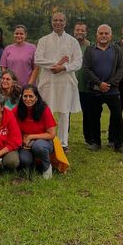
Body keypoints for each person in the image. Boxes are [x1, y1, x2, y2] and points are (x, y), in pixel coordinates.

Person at [34, 12, 82, 151]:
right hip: (48, 82)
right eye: (55, 20)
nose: (58, 23)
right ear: (52, 22)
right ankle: (44, 139)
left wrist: (64, 67)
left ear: (65, 22)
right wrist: (57, 64)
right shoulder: (43, 40)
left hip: (65, 82)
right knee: (46, 111)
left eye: (61, 20)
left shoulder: (72, 41)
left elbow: (78, 62)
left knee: (64, 112)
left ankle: (63, 143)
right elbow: (38, 59)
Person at [82, 24, 123, 155]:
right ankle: (96, 143)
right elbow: (86, 69)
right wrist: (99, 83)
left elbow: (120, 68)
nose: (103, 36)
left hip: (112, 91)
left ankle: (118, 144)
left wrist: (109, 84)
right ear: (96, 35)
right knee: (94, 116)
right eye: (101, 33)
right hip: (94, 90)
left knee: (117, 117)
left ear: (111, 35)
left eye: (106, 33)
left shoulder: (117, 50)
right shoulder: (90, 50)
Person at [13, 85, 56, 179]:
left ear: (36, 98)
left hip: (43, 142)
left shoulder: (44, 109)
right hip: (24, 142)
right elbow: (11, 126)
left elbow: (52, 134)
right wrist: (22, 141)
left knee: (38, 146)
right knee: (24, 160)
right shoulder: (17, 109)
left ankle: (47, 167)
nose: (28, 99)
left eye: (31, 96)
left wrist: (31, 137)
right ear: (21, 97)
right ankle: (32, 166)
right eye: (25, 96)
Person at [73, 22, 92, 145]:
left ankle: (89, 138)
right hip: (70, 86)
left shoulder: (91, 47)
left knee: (88, 113)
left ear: (86, 32)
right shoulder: (69, 45)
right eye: (77, 30)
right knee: (66, 113)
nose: (79, 32)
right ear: (74, 31)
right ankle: (64, 139)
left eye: (82, 30)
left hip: (86, 86)